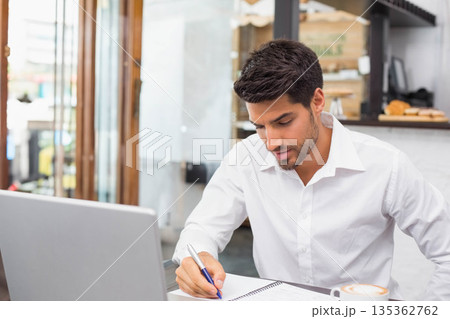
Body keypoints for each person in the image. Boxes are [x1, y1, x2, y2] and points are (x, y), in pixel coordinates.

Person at [172, 40, 450, 300]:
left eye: (283, 122)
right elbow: (202, 228)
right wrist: (197, 256)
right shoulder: (245, 159)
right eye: (259, 126)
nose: (270, 142)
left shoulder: (385, 166)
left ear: (317, 102)